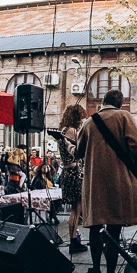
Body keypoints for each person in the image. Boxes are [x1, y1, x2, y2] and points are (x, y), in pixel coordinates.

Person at [76, 89, 137, 273]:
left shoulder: (88, 122)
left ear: (103, 102)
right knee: (114, 229)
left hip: (94, 184)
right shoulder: (124, 116)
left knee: (95, 227)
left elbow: (78, 152)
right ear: (120, 103)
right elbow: (136, 144)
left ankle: (95, 270)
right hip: (118, 181)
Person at [54, 104, 87, 254]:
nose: (82, 120)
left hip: (67, 172)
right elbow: (79, 150)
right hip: (75, 172)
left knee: (75, 209)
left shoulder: (62, 130)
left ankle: (74, 240)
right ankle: (73, 241)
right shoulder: (72, 131)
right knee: (76, 209)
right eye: (81, 117)